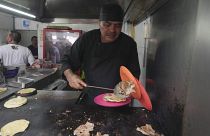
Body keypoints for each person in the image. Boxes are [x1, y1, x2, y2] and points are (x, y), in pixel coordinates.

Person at [61, 4, 140, 103]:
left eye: (118, 25)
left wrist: (128, 88)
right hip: (91, 99)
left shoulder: (129, 44)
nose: (112, 30)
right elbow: (66, 61)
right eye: (107, 25)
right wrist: (70, 76)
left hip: (120, 101)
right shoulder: (87, 39)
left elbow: (134, 74)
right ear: (99, 23)